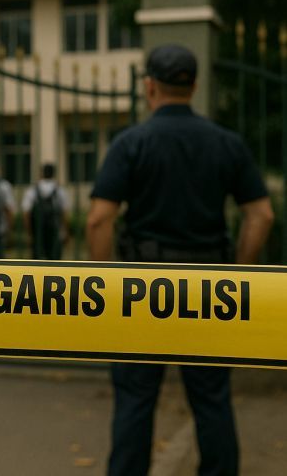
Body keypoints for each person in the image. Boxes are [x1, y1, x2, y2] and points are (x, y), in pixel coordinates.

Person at [86, 44, 274, 476]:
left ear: (149, 86)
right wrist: (239, 275)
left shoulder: (131, 143)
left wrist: (102, 284)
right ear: (194, 85)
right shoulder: (227, 143)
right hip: (209, 289)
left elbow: (99, 219)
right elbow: (260, 214)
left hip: (141, 291)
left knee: (135, 397)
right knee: (211, 397)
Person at [22, 163, 70, 260]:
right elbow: (65, 213)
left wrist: (29, 233)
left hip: (38, 232)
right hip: (54, 233)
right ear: (54, 174)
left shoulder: (33, 190)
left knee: (37, 264)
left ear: (41, 173)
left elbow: (26, 213)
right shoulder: (60, 190)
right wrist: (65, 231)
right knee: (54, 263)